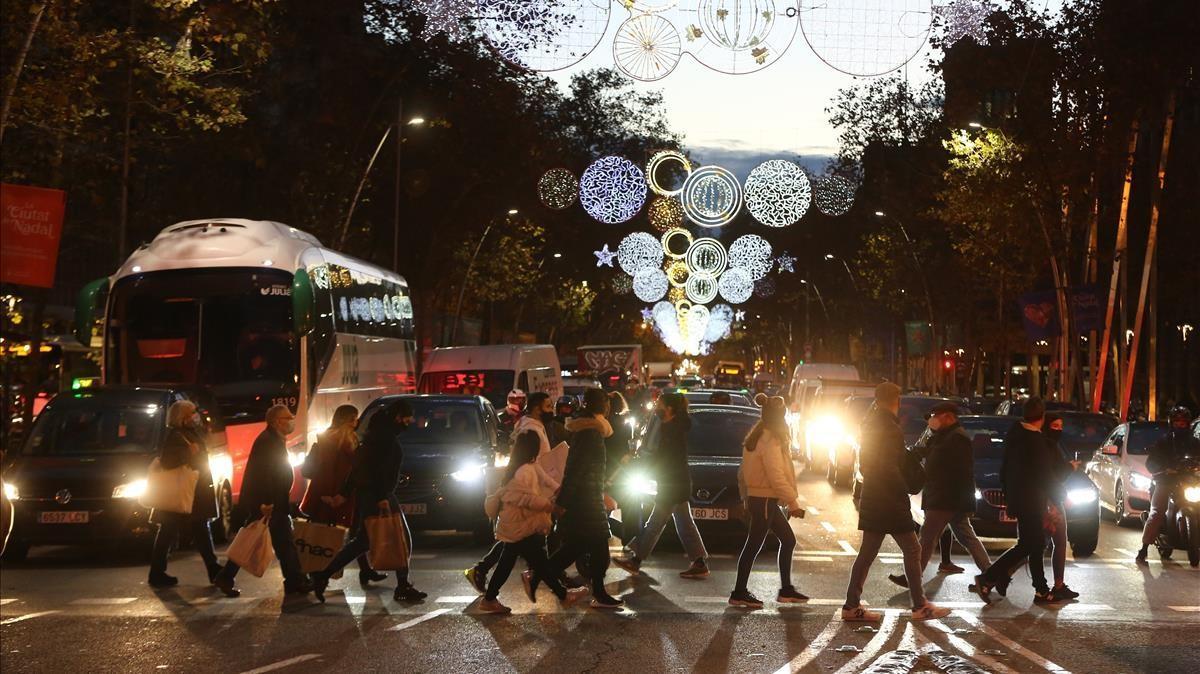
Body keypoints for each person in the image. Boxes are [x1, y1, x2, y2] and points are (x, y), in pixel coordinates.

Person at [842, 382, 950, 622]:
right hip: (889, 499)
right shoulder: (889, 428)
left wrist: (926, 435)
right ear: (896, 400)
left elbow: (881, 463)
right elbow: (892, 466)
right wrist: (902, 489)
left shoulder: (870, 424)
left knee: (867, 554)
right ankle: (920, 605)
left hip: (873, 496)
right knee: (912, 549)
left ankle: (851, 605)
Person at [310, 400, 426, 603]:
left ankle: (322, 575)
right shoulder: (386, 439)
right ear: (398, 417)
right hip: (380, 496)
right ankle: (402, 585)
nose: (410, 420)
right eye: (408, 416)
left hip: (369, 496)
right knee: (402, 539)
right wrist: (382, 497)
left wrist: (344, 494)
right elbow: (377, 472)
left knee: (362, 542)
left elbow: (358, 469)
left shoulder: (372, 437)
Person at [478, 433, 588, 613]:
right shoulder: (524, 472)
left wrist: (561, 490)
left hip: (519, 523)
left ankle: (490, 598)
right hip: (520, 524)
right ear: (533, 448)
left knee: (520, 561)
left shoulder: (527, 466)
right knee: (539, 562)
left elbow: (547, 480)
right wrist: (552, 507)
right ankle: (562, 595)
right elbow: (528, 500)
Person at [465, 392, 564, 593]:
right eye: (547, 405)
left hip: (535, 490)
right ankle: (548, 580)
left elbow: (536, 464)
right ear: (536, 407)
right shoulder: (530, 430)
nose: (551, 409)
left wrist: (554, 485)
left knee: (516, 543)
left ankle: (489, 575)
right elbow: (535, 464)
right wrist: (552, 489)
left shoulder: (533, 427)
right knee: (520, 541)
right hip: (531, 492)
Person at [888, 401, 991, 589]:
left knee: (927, 537)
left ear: (948, 417)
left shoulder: (957, 438)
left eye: (935, 416)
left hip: (946, 498)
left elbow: (957, 471)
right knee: (966, 537)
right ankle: (991, 575)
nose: (932, 420)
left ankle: (912, 576)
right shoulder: (943, 436)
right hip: (948, 497)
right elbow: (925, 453)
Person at [213, 405, 310, 598]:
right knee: (268, 541)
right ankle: (294, 581)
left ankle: (294, 581)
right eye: (288, 418)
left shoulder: (274, 439)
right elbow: (263, 475)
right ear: (276, 422)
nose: (292, 421)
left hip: (273, 501)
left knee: (277, 542)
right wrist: (266, 502)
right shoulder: (268, 441)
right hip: (269, 503)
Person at [613, 392, 710, 579]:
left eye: (660, 404)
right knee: (684, 524)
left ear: (670, 409)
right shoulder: (672, 426)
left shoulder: (672, 429)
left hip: (673, 484)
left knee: (655, 523)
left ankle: (636, 560)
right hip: (676, 482)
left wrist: (645, 466)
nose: (657, 407)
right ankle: (699, 561)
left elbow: (664, 457)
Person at [971, 396, 1057, 602]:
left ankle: (1040, 588)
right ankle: (989, 577)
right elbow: (1044, 476)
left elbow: (1005, 470)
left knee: (1033, 544)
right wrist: (1057, 498)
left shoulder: (1015, 435)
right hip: (1032, 501)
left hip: (1018, 499)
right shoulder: (1036, 442)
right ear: (1042, 417)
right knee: (1029, 544)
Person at [543, 388, 623, 609]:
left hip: (589, 496)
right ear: (602, 406)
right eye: (606, 403)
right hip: (585, 499)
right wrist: (563, 502)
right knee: (589, 545)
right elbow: (575, 470)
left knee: (590, 545)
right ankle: (539, 574)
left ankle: (598, 592)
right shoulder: (590, 433)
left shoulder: (591, 431)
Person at [728, 396, 808, 608]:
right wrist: (793, 503)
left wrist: (746, 496)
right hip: (764, 499)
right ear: (779, 419)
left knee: (787, 540)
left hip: (763, 500)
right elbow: (776, 475)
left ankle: (786, 590)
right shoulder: (770, 440)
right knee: (753, 545)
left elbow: (742, 473)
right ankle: (739, 592)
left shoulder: (755, 437)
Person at [298, 404, 386, 586]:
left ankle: (362, 570)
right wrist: (331, 494)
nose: (357, 422)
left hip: (333, 491)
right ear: (346, 420)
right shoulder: (341, 440)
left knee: (332, 531)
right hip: (336, 492)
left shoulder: (331, 437)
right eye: (354, 418)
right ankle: (317, 572)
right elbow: (329, 469)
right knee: (335, 532)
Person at [148, 400, 221, 588]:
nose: (195, 416)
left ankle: (213, 568)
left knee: (196, 529)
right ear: (182, 417)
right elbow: (168, 461)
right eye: (191, 413)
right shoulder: (176, 436)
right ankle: (157, 572)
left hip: (192, 490)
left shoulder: (190, 433)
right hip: (183, 491)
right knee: (170, 531)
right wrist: (189, 453)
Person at [1136, 406, 1200, 563]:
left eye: (1183, 422)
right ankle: (1144, 548)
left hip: (1189, 480)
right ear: (1172, 423)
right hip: (1166, 481)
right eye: (1177, 422)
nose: (1180, 425)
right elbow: (1152, 461)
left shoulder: (1195, 442)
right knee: (1157, 512)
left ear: (1188, 424)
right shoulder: (1164, 441)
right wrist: (1164, 469)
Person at [1043, 415, 1080, 599]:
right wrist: (1070, 468)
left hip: (1053, 498)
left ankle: (1059, 584)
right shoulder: (1046, 446)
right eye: (1054, 425)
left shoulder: (1052, 446)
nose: (1058, 429)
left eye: (1060, 426)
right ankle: (996, 576)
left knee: (1056, 541)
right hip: (1050, 500)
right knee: (1033, 545)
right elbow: (1052, 475)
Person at [604, 391, 639, 544]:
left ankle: (611, 531)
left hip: (607, 469)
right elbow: (629, 448)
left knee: (601, 508)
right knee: (628, 509)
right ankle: (628, 538)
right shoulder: (625, 423)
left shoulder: (603, 423)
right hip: (622, 470)